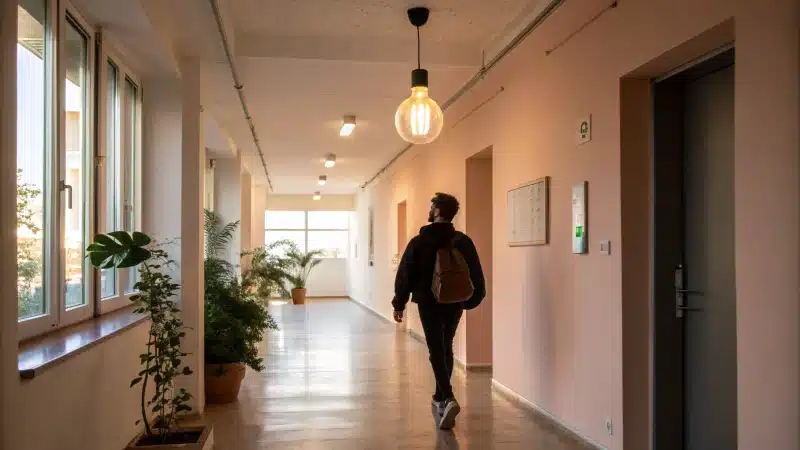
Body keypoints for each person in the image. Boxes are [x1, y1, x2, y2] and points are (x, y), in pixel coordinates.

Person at [392, 192, 486, 430]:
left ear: (436, 212)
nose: (429, 209)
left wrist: (399, 303)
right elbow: (477, 275)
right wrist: (470, 301)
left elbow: (405, 275)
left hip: (428, 302)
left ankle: (448, 396)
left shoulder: (419, 241)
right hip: (454, 302)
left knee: (435, 347)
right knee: (446, 346)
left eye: (431, 206)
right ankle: (439, 398)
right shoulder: (462, 241)